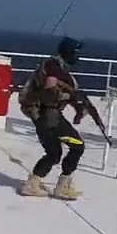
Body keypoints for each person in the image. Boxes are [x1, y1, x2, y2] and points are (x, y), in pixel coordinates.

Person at [16, 36, 104, 200]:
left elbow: (71, 94)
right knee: (78, 146)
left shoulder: (58, 70)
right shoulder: (52, 67)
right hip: (49, 117)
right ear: (68, 53)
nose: (77, 57)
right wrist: (76, 99)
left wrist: (81, 108)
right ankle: (62, 186)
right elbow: (53, 84)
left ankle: (32, 185)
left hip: (42, 117)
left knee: (54, 153)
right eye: (76, 52)